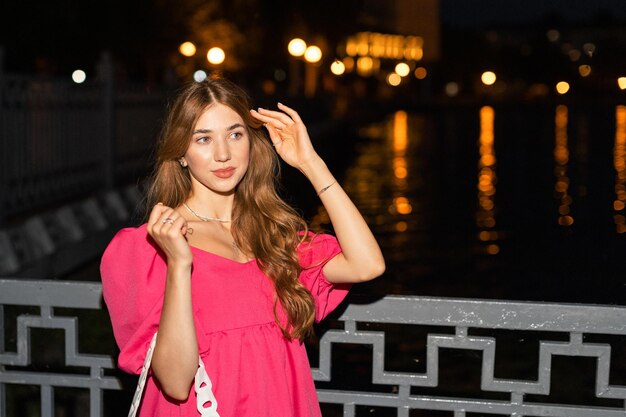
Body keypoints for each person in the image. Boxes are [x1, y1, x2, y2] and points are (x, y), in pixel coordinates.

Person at [100, 75, 385, 417]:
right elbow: (175, 383)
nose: (223, 154)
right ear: (182, 154)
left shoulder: (274, 237)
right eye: (203, 139)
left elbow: (367, 264)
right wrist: (178, 264)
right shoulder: (148, 246)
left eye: (235, 134)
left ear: (251, 142)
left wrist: (311, 163)